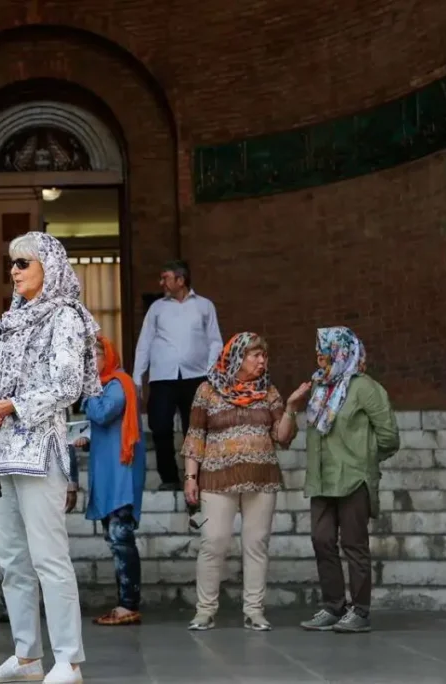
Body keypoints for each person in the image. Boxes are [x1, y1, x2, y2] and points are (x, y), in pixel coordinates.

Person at [0, 231, 101, 684]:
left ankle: (69, 659)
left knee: (49, 558)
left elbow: (67, 386)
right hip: (1, 451)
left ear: (49, 265)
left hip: (38, 450)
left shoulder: (63, 317)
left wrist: (11, 406)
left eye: (23, 262)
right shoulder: (14, 321)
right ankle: (27, 658)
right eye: (12, 263)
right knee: (12, 560)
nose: (14, 271)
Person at [182, 332, 303, 632]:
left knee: (256, 544)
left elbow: (283, 436)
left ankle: (254, 611)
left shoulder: (269, 392)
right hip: (216, 480)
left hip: (261, 481)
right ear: (237, 357)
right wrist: (190, 477)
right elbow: (195, 436)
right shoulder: (207, 391)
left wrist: (290, 408)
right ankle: (205, 611)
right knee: (213, 542)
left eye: (264, 356)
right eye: (255, 355)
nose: (262, 361)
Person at [296, 327, 400, 634]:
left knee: (354, 544)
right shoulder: (319, 386)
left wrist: (364, 458)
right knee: (321, 539)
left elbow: (389, 437)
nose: (319, 355)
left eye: (325, 350)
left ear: (342, 351)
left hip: (354, 478)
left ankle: (361, 611)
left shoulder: (365, 387)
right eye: (318, 349)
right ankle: (333, 606)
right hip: (322, 479)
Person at [74, 335, 147, 626]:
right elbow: (107, 430)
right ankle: (125, 602)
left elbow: (103, 413)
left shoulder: (119, 384)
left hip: (122, 476)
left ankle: (128, 604)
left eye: (93, 360)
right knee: (116, 539)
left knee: (121, 538)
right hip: (111, 473)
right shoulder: (107, 385)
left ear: (108, 357)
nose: (89, 367)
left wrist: (86, 393)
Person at [133, 260, 223, 490]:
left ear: (181, 280)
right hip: (163, 378)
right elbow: (144, 343)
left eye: (166, 278)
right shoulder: (157, 308)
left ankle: (197, 477)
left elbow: (215, 342)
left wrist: (211, 372)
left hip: (196, 377)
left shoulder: (204, 306)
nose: (161, 282)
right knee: (160, 426)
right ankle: (169, 478)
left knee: (194, 428)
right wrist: (137, 377)